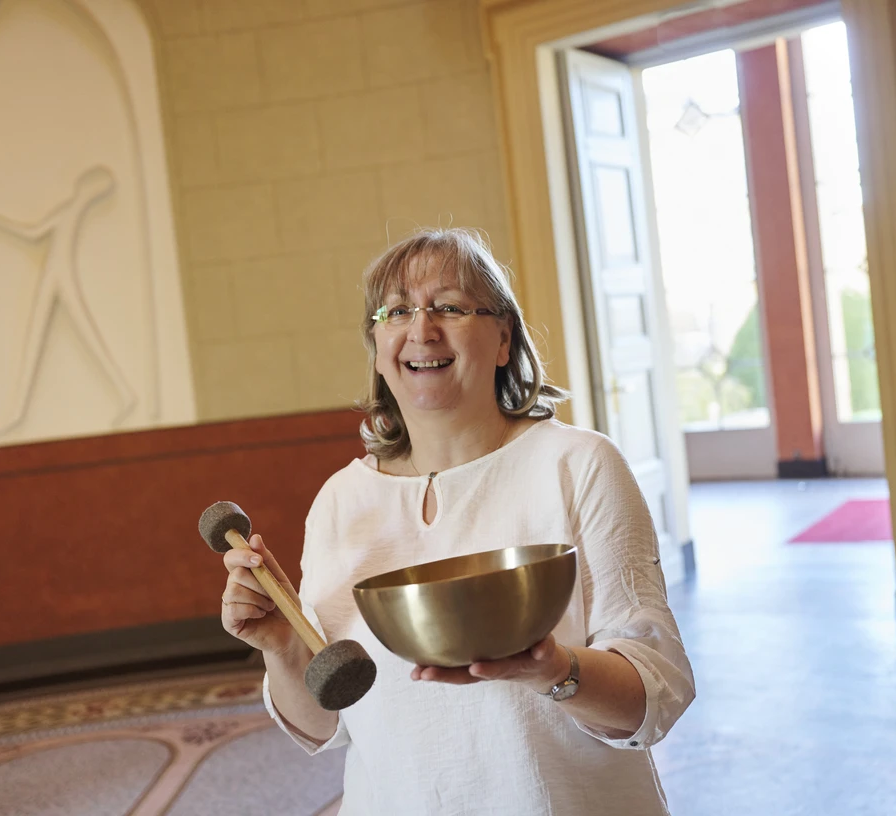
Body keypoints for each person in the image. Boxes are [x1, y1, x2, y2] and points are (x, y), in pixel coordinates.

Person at [219, 228, 695, 814]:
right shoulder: (342, 499)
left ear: (503, 340)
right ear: (377, 347)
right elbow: (325, 724)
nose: (421, 328)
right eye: (396, 311)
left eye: (449, 306)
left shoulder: (578, 465)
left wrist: (553, 670)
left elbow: (654, 696)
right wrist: (281, 646)